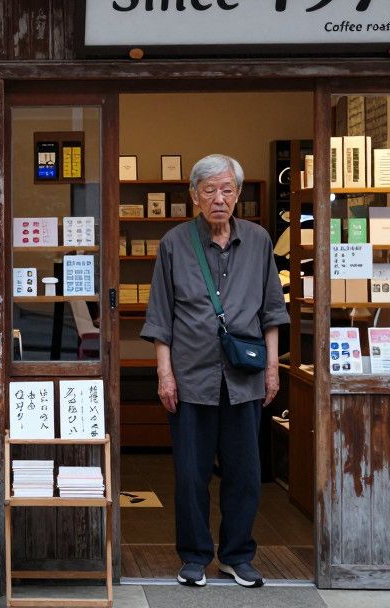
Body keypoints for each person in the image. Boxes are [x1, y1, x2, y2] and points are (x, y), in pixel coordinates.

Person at [140, 154, 288, 590]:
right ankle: (194, 556)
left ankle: (237, 556)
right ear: (194, 196)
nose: (218, 199)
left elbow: (273, 312)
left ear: (238, 195)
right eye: (209, 191)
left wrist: (273, 370)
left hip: (245, 379)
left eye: (227, 190)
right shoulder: (174, 243)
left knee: (244, 473)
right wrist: (165, 374)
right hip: (191, 378)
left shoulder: (260, 241)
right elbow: (161, 316)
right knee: (191, 473)